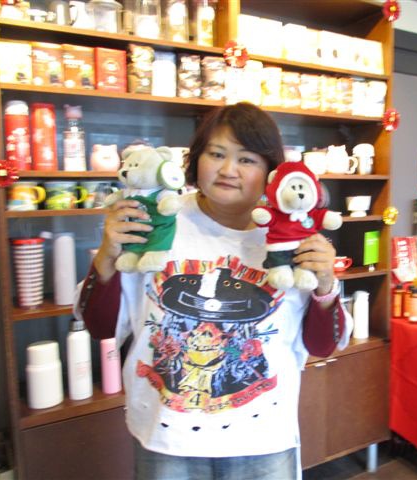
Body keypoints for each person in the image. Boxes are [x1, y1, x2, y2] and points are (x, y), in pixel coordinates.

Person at [74, 102, 352, 480]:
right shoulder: (158, 222)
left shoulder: (290, 238)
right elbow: (101, 326)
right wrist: (108, 253)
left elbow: (321, 345)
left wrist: (325, 285)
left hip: (263, 441)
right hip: (167, 439)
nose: (228, 170)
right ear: (195, 159)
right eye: (216, 154)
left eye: (247, 159)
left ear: (272, 172)